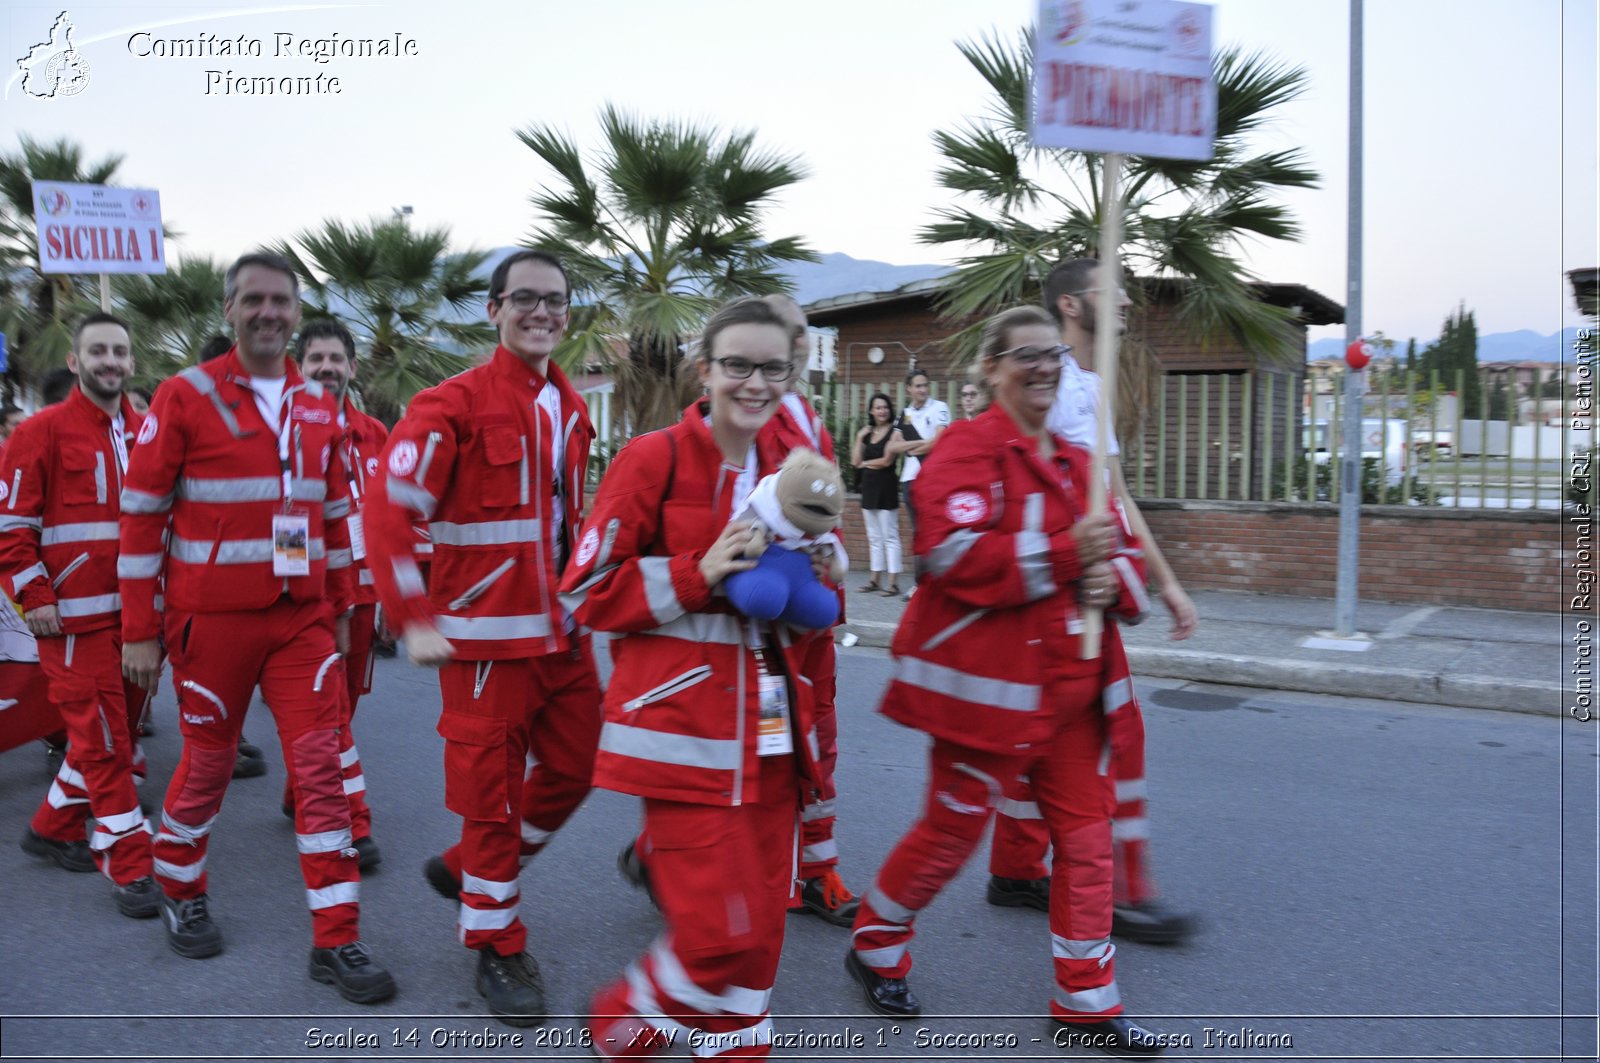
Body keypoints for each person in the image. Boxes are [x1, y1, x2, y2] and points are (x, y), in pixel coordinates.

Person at [846, 306, 1169, 1058]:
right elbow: (953, 555)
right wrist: (1065, 553)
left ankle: (1085, 1001)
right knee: (949, 835)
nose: (1045, 366)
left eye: (1054, 353)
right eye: (1026, 354)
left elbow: (1128, 569)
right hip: (986, 695)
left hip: (1069, 695)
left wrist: (1114, 579)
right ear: (990, 369)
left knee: (1086, 843)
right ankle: (876, 942)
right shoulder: (963, 448)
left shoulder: (1080, 464)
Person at [119, 252, 395, 1003]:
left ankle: (336, 939)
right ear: (231, 308)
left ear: (296, 310)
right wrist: (139, 631)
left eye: (282, 300)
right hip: (209, 623)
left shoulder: (317, 404)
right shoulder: (183, 395)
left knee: (322, 773)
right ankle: (180, 886)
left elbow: (333, 514)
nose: (269, 312)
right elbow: (141, 520)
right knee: (207, 767)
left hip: (299, 620)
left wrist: (339, 610)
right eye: (255, 300)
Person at [565, 297, 826, 1060]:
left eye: (771, 367)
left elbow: (800, 594)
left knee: (761, 932)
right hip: (683, 739)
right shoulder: (652, 458)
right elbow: (585, 591)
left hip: (776, 731)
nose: (755, 381)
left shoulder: (791, 462)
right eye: (737, 364)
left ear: (791, 371)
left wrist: (822, 574)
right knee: (718, 931)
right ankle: (623, 1023)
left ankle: (735, 1047)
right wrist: (697, 570)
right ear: (704, 369)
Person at [365, 249, 599, 1027]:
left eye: (555, 300)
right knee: (491, 803)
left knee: (578, 766)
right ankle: (496, 942)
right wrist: (413, 616)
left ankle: (468, 871)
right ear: (494, 310)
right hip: (481, 646)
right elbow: (388, 508)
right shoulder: (449, 404)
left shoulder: (570, 405)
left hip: (564, 636)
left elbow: (566, 525)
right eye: (525, 298)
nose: (542, 311)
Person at [986, 258, 1198, 945]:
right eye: (1115, 289)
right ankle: (1125, 889)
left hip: (1088, 583)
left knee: (1041, 732)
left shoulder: (1092, 386)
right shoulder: (1035, 380)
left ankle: (1017, 867)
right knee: (1115, 736)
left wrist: (1162, 580)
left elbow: (1115, 494)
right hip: (1058, 587)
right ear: (1072, 305)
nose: (1130, 299)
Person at [0, 312, 158, 916]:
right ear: (75, 362)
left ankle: (50, 828)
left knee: (107, 739)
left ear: (132, 362)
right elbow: (11, 527)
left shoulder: (147, 431)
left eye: (119, 351)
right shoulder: (38, 431)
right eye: (98, 351)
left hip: (136, 625)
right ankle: (130, 866)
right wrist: (34, 594)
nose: (110, 361)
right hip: (68, 623)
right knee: (106, 744)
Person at [284, 319, 386, 869]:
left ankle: (298, 790)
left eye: (335, 358)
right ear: (299, 368)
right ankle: (351, 818)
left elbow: (394, 517)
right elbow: (288, 522)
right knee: (331, 714)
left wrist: (391, 593)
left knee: (345, 703)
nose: (326, 367)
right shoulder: (288, 435)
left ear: (351, 366)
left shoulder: (375, 433)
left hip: (367, 595)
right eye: (315, 358)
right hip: (316, 599)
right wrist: (302, 595)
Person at [886, 368, 948, 597]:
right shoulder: (905, 414)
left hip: (933, 477)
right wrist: (920, 445)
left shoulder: (939, 407)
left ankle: (940, 582)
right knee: (918, 533)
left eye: (925, 385)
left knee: (938, 530)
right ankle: (921, 583)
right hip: (910, 480)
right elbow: (892, 446)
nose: (922, 389)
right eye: (918, 386)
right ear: (909, 389)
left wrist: (910, 447)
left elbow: (939, 441)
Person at [851, 392, 902, 596]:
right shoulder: (868, 433)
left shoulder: (895, 433)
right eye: (878, 407)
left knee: (890, 536)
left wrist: (866, 464)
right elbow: (855, 461)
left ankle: (893, 583)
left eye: (885, 407)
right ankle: (874, 580)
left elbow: (887, 461)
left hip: (886, 487)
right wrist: (858, 437)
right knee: (874, 537)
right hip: (869, 488)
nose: (882, 411)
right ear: (871, 411)